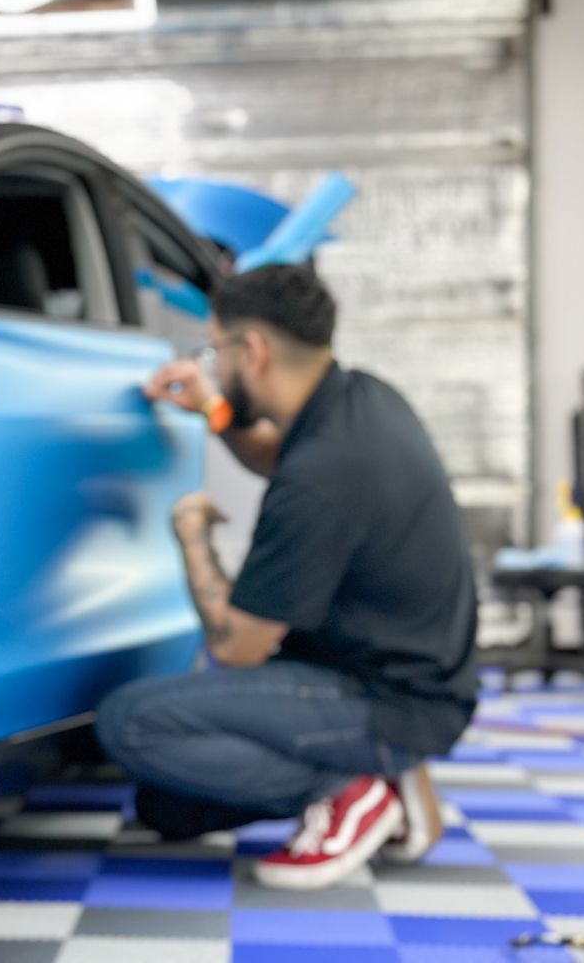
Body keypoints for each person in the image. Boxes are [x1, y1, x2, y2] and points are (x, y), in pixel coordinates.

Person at [96, 263, 478, 890]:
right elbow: (276, 454)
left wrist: (193, 537)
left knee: (130, 723)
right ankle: (380, 777)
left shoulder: (321, 477)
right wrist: (214, 411)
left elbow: (235, 648)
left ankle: (358, 786)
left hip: (386, 702)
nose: (212, 363)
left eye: (215, 349)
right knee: (165, 808)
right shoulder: (364, 402)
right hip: (408, 678)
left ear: (254, 351)